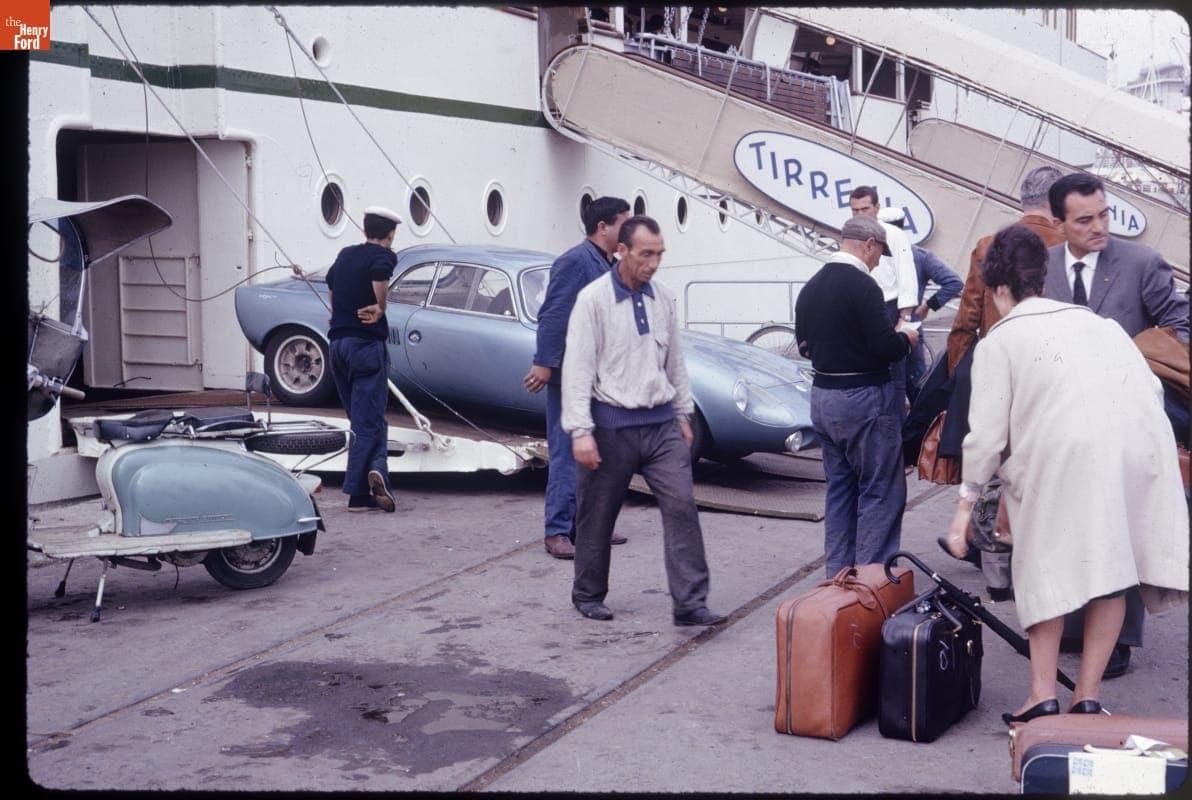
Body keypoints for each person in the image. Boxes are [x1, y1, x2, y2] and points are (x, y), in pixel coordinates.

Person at [944, 224, 1187, 725]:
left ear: (995, 287)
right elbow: (1150, 392)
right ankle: (1089, 695)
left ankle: (1041, 693)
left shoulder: (1000, 341)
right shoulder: (1100, 324)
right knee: (1112, 572)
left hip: (1060, 460)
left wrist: (962, 511)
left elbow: (985, 438)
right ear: (1044, 277)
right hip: (1132, 455)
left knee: (1044, 570)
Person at [1045, 171, 1190, 679]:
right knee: (1069, 523)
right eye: (1085, 220)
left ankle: (1120, 640)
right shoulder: (1043, 269)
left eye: (1104, 214)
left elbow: (1181, 320)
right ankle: (1071, 627)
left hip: (1126, 416)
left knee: (1119, 526)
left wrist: (1135, 355)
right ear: (1059, 223)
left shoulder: (1141, 262)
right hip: (1062, 419)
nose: (1099, 227)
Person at [562, 215, 725, 627]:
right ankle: (588, 594)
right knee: (598, 513)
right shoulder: (593, 300)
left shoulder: (664, 297)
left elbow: (675, 360)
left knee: (683, 506)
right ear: (622, 251)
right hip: (610, 426)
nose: (653, 263)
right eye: (645, 254)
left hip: (661, 427)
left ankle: (690, 604)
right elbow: (577, 369)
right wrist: (580, 431)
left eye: (659, 254)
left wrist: (683, 413)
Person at [934, 165, 1067, 598]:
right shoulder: (1070, 247)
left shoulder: (989, 246)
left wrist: (963, 381)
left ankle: (995, 559)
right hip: (1055, 380)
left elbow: (966, 320)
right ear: (1058, 203)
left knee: (996, 467)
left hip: (1000, 370)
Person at [795, 215, 919, 577]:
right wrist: (905, 339)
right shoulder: (864, 287)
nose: (879, 261)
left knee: (839, 488)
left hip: (823, 397)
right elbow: (884, 346)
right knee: (881, 488)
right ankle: (871, 579)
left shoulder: (811, 286)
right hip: (864, 398)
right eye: (880, 253)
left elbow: (804, 346)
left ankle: (838, 573)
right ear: (868, 244)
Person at [525, 196, 632, 559]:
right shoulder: (574, 262)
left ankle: (590, 525)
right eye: (624, 223)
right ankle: (557, 531)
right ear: (603, 227)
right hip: (573, 375)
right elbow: (553, 315)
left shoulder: (609, 264)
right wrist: (544, 363)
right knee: (567, 452)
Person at [326, 206, 401, 513]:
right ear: (391, 234)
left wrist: (338, 313)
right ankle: (357, 493)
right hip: (366, 347)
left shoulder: (345, 254)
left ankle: (378, 472)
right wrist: (380, 306)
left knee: (363, 419)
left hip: (338, 345)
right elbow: (380, 272)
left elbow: (330, 284)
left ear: (364, 229)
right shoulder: (383, 255)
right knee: (369, 420)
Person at [876, 206, 962, 402]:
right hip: (910, 329)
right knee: (916, 385)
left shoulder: (872, 255)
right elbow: (954, 282)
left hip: (881, 330)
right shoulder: (920, 256)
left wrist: (928, 305)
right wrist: (928, 306)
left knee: (885, 384)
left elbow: (954, 283)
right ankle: (919, 429)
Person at [848, 186, 918, 416]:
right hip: (858, 309)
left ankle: (894, 434)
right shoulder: (849, 236)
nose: (860, 215)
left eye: (865, 209)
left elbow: (907, 275)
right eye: (855, 210)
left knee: (894, 376)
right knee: (861, 371)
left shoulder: (894, 235)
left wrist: (904, 318)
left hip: (888, 308)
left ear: (877, 208)